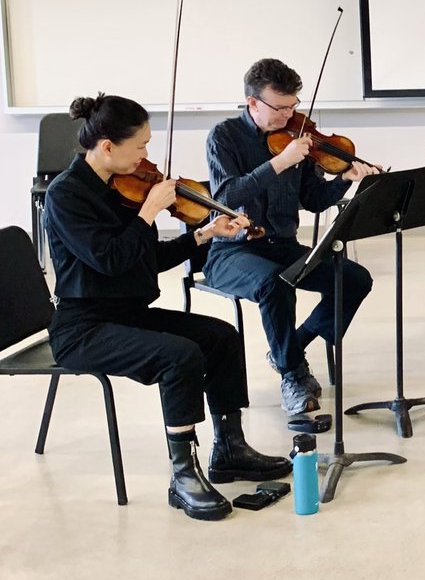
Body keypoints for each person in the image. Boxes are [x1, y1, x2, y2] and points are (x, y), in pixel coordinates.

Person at [43, 93, 291, 522]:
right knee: (178, 357)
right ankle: (183, 475)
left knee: (222, 337)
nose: (146, 156)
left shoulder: (116, 187)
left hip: (125, 312)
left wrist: (206, 233)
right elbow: (112, 259)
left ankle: (229, 450)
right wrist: (149, 212)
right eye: (140, 146)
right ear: (107, 147)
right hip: (83, 328)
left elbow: (146, 260)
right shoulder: (66, 196)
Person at [204, 58, 376, 423]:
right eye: (278, 107)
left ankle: (291, 347)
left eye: (292, 105)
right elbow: (228, 195)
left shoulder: (299, 139)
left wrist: (346, 181)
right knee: (273, 284)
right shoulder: (224, 137)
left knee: (354, 278)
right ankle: (292, 374)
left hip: (282, 245)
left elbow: (313, 200)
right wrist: (279, 163)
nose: (288, 114)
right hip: (231, 250)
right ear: (252, 103)